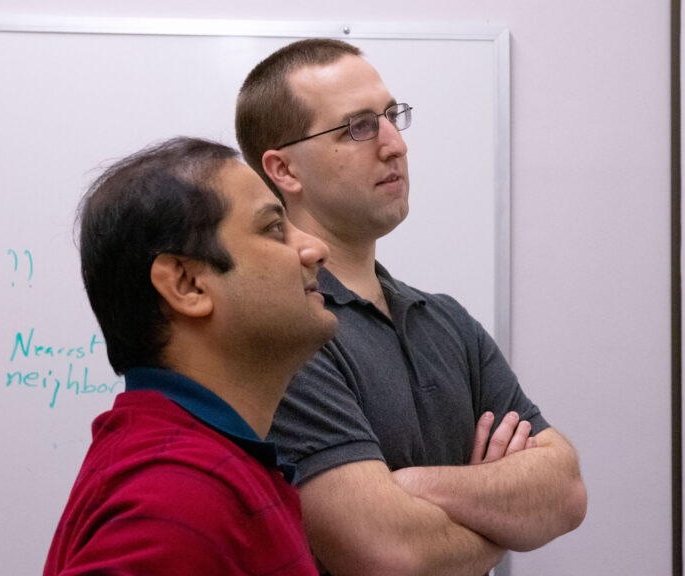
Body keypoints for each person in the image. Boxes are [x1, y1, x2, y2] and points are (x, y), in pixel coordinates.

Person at [236, 39, 588, 575]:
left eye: (391, 115)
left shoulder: (445, 320)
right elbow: (388, 554)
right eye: (357, 127)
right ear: (284, 170)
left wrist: (413, 486)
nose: (394, 144)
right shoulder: (286, 330)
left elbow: (564, 491)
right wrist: (497, 524)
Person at [43, 137, 337, 576]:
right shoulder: (177, 497)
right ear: (187, 285)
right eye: (274, 228)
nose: (315, 249)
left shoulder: (205, 470)